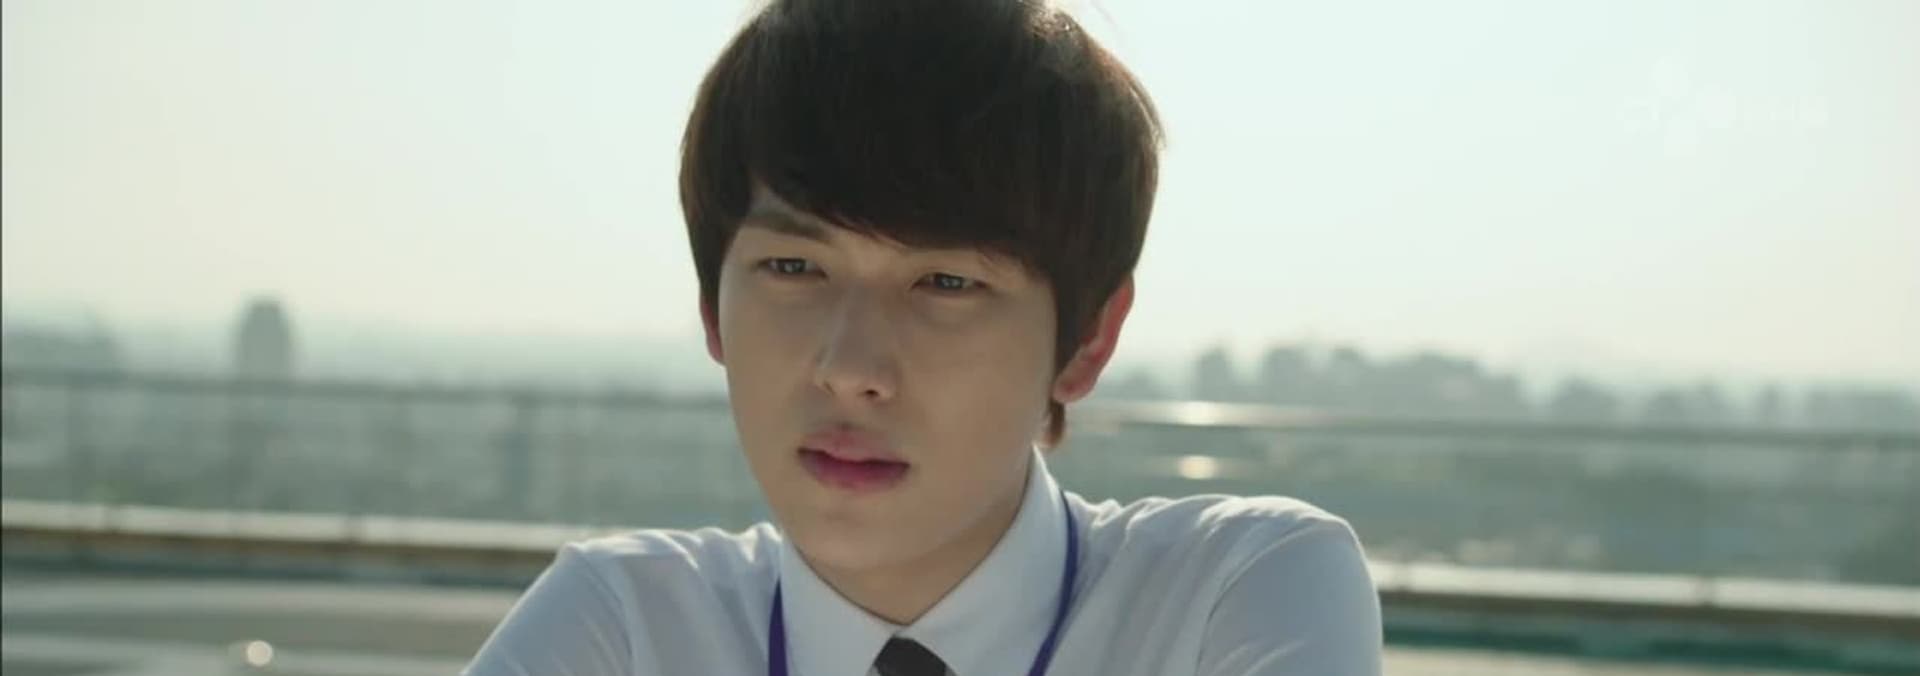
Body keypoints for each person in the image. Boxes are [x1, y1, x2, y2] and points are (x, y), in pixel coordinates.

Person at [465, 1, 1382, 674]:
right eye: (794, 267)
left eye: (946, 283)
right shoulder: (627, 626)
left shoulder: (1231, 594)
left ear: (1088, 340)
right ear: (712, 309)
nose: (850, 369)